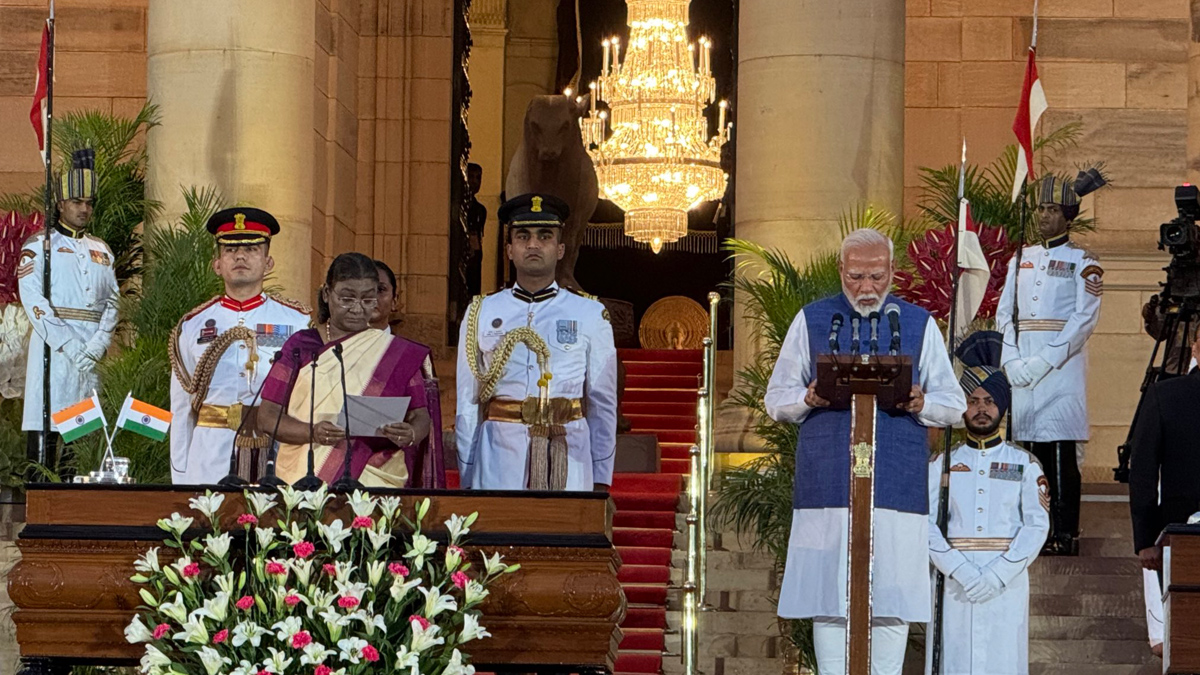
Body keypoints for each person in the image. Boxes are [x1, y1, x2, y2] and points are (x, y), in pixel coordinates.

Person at [765, 228, 966, 675]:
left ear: (892, 272)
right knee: (829, 596)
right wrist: (808, 399)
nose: (866, 288)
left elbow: (954, 405)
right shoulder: (814, 319)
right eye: (856, 277)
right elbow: (775, 398)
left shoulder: (916, 323)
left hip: (894, 485)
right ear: (841, 270)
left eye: (876, 276)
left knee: (891, 596)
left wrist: (922, 402)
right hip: (828, 485)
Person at [455, 193, 617, 492]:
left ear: (560, 249)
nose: (533, 244)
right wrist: (467, 470)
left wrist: (600, 477)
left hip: (568, 448)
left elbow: (602, 402)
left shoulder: (589, 313)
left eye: (545, 236)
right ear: (509, 249)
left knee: (563, 537)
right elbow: (468, 400)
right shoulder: (482, 311)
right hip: (499, 452)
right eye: (523, 236)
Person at [996, 169, 1107, 556]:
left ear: (1068, 215)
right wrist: (1010, 360)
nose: (1043, 216)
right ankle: (1031, 528)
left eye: (1051, 209)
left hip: (1061, 370)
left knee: (1059, 450)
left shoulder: (1083, 262)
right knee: (1026, 449)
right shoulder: (1020, 258)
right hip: (1021, 364)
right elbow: (1004, 314)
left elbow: (1083, 320)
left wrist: (1043, 362)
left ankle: (1063, 531)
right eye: (1040, 208)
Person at [926, 330, 1050, 675]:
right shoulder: (941, 464)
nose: (981, 409)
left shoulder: (1025, 464)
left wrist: (998, 574)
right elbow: (925, 521)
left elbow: (1037, 525)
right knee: (953, 658)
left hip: (1006, 581)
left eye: (989, 401)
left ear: (1002, 406)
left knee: (1002, 658)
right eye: (973, 400)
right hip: (953, 581)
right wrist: (957, 568)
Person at [258, 252, 433, 487]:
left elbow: (420, 415)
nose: (358, 308)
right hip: (306, 473)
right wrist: (313, 432)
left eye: (368, 299)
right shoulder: (301, 346)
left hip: (376, 475)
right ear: (327, 294)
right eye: (347, 298)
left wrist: (409, 433)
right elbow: (268, 417)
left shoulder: (395, 352)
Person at [168, 207, 311, 484]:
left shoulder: (297, 322)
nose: (241, 256)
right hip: (211, 452)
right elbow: (182, 407)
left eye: (252, 249)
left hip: (278, 449)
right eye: (230, 250)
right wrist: (182, 475)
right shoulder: (192, 325)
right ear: (217, 264)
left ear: (268, 262)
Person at [18, 149, 118, 460]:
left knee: (81, 439)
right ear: (61, 204)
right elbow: (33, 299)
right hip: (53, 350)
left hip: (90, 352)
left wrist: (99, 343)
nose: (84, 209)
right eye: (77, 202)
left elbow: (114, 301)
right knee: (46, 433)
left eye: (89, 203)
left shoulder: (101, 250)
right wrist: (67, 344)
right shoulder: (40, 245)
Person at [1128, 327, 1200, 577]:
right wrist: (1146, 539)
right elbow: (1142, 470)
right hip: (1182, 531)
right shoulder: (1165, 395)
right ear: (1195, 349)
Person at [367, 259, 446, 487]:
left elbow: (424, 417)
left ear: (395, 301)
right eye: (365, 291)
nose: (372, 298)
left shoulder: (413, 355)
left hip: (396, 466)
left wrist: (410, 431)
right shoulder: (331, 351)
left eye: (380, 290)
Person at [466, 163, 486, 297]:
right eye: (471, 177)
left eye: (478, 178)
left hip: (475, 256)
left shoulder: (480, 210)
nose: (475, 181)